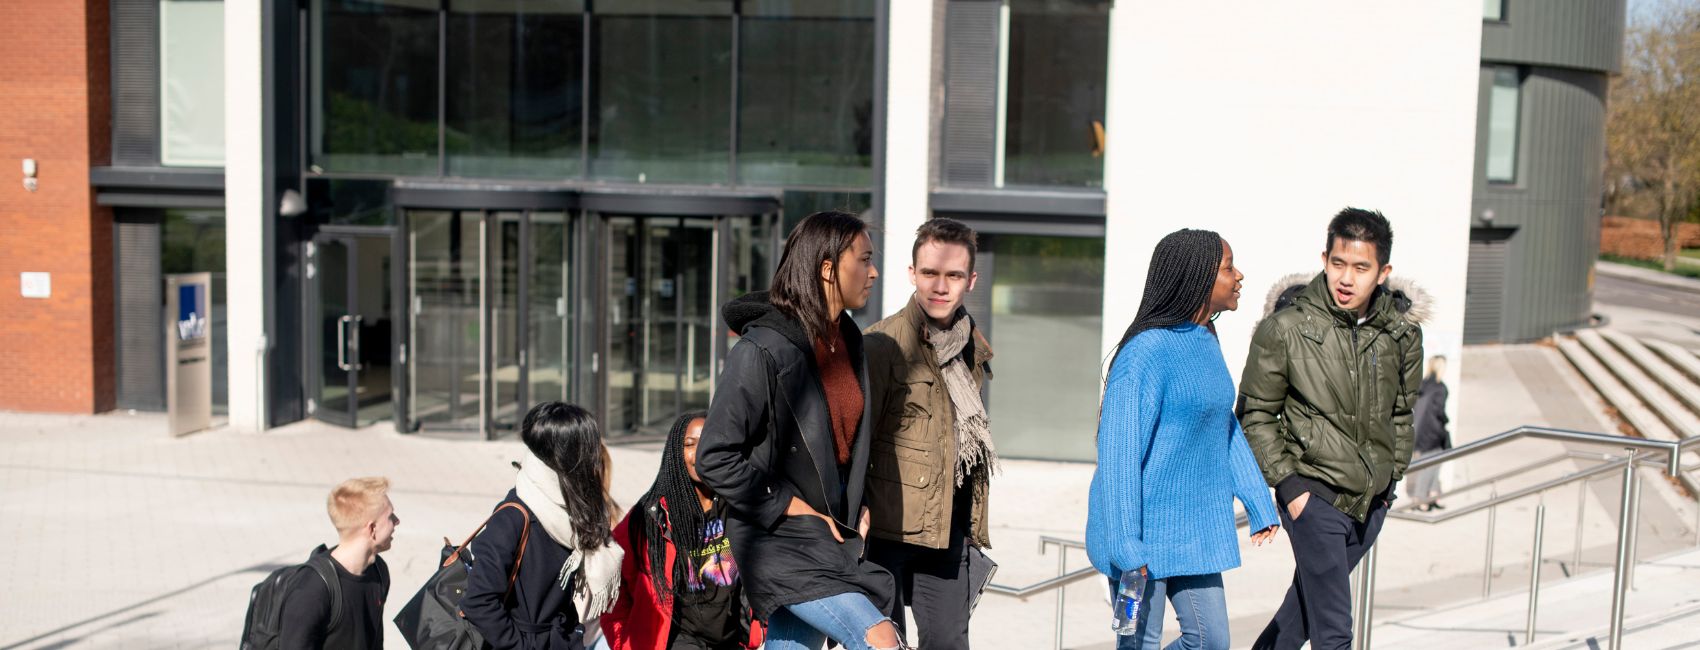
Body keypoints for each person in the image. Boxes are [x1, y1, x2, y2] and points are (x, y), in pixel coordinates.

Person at [696, 211, 904, 650]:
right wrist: (792, 506)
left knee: (795, 646)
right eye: (864, 259)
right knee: (881, 638)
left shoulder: (847, 338)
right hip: (776, 535)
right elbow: (715, 457)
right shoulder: (760, 350)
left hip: (829, 531)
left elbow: (841, 445)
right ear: (828, 269)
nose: (874, 271)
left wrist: (858, 504)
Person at [1239, 208, 1427, 650]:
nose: (1347, 278)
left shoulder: (1400, 335)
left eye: (1361, 267)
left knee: (1301, 614)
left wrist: (1390, 483)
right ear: (1324, 259)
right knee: (1334, 632)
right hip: (1314, 495)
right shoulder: (1285, 330)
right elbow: (1255, 413)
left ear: (1383, 272)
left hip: (1370, 503)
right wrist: (1290, 487)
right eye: (1338, 263)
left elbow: (1402, 413)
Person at [1085, 229, 1282, 650]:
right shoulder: (1144, 354)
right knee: (1137, 644)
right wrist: (1124, 544)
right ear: (1198, 279)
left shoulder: (1207, 338)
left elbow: (1220, 424)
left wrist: (1257, 498)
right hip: (1137, 538)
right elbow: (1118, 456)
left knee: (1211, 643)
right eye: (1228, 267)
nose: (1239, 276)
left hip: (1195, 530)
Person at [862, 217, 997, 650]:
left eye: (953, 275)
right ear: (912, 274)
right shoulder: (882, 344)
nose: (941, 286)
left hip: (947, 532)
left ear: (970, 280)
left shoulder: (972, 347)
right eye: (930, 273)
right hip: (885, 532)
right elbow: (856, 440)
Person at [462, 402, 624, 650]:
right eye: (587, 452)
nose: (593, 462)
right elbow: (478, 601)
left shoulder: (571, 513)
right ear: (566, 458)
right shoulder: (513, 517)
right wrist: (521, 645)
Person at [603, 411, 763, 650]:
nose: (699, 452)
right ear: (675, 454)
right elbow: (611, 579)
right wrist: (622, 643)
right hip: (679, 640)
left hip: (731, 638)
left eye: (708, 442)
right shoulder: (652, 515)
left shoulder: (738, 506)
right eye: (689, 444)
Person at [279, 476, 398, 650]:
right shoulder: (312, 589)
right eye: (390, 517)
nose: (397, 521)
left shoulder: (379, 571)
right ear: (371, 529)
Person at [1407, 356, 1452, 511]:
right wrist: (1446, 421)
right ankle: (1420, 498)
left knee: (1430, 463)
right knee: (1431, 465)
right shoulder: (1440, 388)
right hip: (1433, 432)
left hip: (1419, 430)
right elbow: (1439, 412)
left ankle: (1434, 493)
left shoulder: (1422, 384)